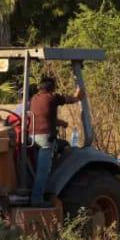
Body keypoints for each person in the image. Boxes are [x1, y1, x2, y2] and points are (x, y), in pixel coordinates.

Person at [28, 75, 82, 204]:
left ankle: (40, 191)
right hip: (46, 138)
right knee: (43, 171)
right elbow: (69, 99)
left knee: (38, 167)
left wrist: (62, 123)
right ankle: (37, 199)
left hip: (32, 137)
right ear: (52, 89)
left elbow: (45, 117)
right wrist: (77, 96)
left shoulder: (34, 99)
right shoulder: (52, 98)